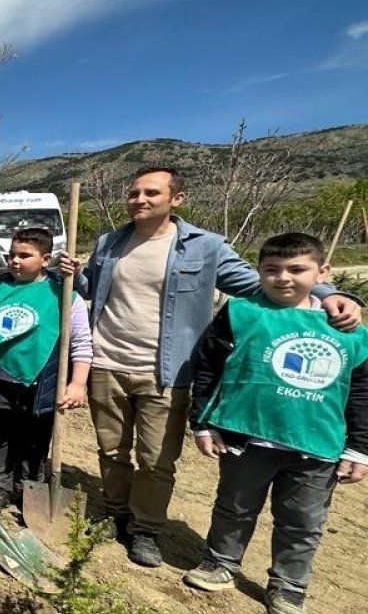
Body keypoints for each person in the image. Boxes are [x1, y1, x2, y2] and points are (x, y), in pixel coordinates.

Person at [58, 166, 362, 567]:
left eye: (151, 193)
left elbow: (261, 282)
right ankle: (115, 512)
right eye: (134, 193)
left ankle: (145, 529)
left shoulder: (205, 247)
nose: (140, 200)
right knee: (112, 450)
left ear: (176, 199)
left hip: (169, 370)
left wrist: (329, 293)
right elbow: (91, 291)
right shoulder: (110, 243)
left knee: (156, 460)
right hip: (107, 361)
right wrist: (73, 274)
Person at [180, 233, 368, 614]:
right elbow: (209, 367)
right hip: (247, 435)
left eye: (297, 269)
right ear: (259, 271)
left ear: (322, 272)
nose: (284, 278)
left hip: (316, 444)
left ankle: (288, 587)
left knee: (302, 521)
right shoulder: (242, 312)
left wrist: (359, 449)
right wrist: (202, 422)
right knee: (234, 506)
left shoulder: (348, 330)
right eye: (272, 270)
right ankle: (220, 563)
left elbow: (362, 393)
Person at [0, 228, 92, 512]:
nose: (15, 261)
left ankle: (29, 486)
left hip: (41, 381)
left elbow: (81, 343)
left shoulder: (65, 295)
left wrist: (78, 383)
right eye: (12, 255)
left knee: (35, 436)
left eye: (25, 255)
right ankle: (0, 484)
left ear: (46, 259)